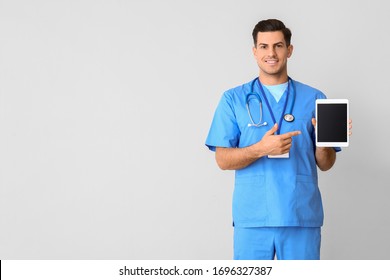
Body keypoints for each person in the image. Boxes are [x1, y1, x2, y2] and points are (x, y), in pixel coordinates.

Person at [205, 19, 352, 260]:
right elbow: (222, 160)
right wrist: (259, 149)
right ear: (254, 52)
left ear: (289, 50)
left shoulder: (315, 98)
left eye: (278, 46)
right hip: (253, 218)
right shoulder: (234, 99)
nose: (271, 53)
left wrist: (325, 143)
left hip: (300, 215)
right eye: (263, 46)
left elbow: (326, 164)